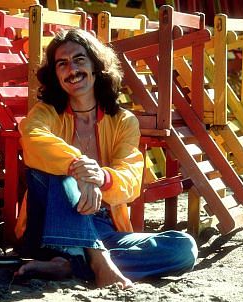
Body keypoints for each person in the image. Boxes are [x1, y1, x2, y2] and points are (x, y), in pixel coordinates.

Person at [14, 28, 198, 288]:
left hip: (102, 226)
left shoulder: (123, 121)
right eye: (62, 64)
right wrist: (79, 167)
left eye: (79, 59)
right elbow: (33, 141)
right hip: (49, 227)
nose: (72, 69)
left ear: (95, 65)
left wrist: (100, 177)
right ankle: (99, 264)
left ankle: (72, 264)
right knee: (55, 170)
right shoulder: (44, 114)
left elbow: (132, 178)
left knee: (183, 248)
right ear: (55, 75)